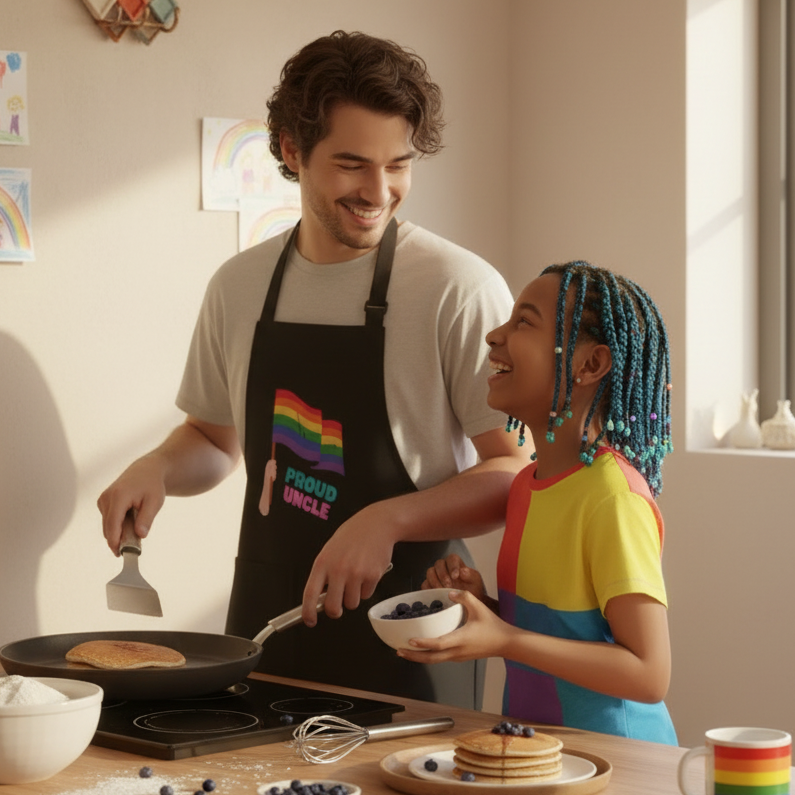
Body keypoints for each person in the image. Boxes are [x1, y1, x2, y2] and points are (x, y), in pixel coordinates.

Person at [97, 30, 526, 708]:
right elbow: (213, 440)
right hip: (270, 631)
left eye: (398, 165)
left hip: (411, 634)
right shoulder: (239, 286)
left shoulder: (456, 287)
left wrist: (384, 519)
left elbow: (513, 475)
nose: (379, 191)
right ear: (292, 152)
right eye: (352, 164)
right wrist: (155, 467)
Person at [398, 261, 678, 744]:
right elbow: (555, 634)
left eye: (523, 322)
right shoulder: (528, 484)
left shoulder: (613, 498)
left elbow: (650, 675)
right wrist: (482, 609)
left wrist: (505, 639)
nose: (493, 335)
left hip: (622, 767)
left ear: (590, 364)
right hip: (546, 758)